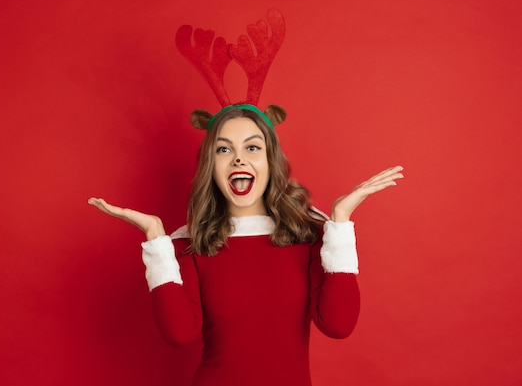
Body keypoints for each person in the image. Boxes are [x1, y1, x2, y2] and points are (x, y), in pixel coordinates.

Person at [88, 103, 403, 386]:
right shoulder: (189, 242)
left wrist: (341, 220)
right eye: (224, 150)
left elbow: (338, 325)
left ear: (271, 160)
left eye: (252, 147)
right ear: (211, 165)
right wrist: (156, 238)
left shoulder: (311, 235)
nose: (238, 157)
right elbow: (178, 334)